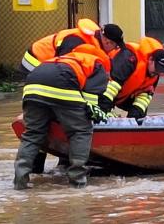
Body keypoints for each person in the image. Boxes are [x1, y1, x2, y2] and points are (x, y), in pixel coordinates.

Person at [13, 44, 112, 190]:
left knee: (33, 134)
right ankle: (77, 181)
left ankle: (20, 182)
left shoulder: (64, 58)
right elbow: (90, 101)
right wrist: (91, 114)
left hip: (32, 86)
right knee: (80, 131)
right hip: (62, 83)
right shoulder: (98, 64)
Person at [99, 37, 164, 120]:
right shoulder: (129, 58)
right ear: (150, 59)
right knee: (105, 102)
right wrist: (103, 110)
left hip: (122, 95)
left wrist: (134, 118)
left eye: (160, 71)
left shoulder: (155, 74)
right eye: (157, 69)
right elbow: (111, 85)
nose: (157, 73)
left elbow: (145, 97)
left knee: (141, 110)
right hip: (102, 89)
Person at [20, 18, 124, 74]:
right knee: (42, 100)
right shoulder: (77, 41)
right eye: (115, 46)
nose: (115, 50)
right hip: (35, 62)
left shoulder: (92, 41)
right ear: (107, 42)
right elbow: (63, 67)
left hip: (46, 63)